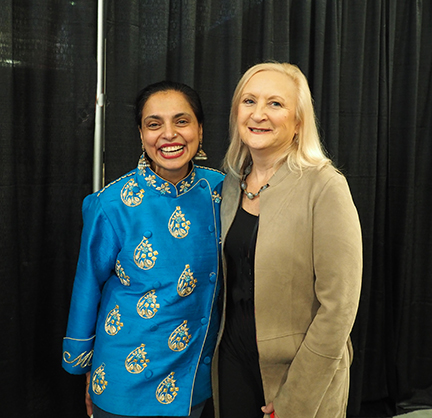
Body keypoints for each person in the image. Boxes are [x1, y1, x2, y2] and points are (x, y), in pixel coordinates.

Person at [62, 81, 224, 418]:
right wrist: (84, 363)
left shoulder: (222, 192)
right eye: (154, 124)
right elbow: (87, 285)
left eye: (182, 121)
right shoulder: (111, 203)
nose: (169, 134)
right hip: (124, 377)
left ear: (200, 129)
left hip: (196, 374)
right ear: (140, 133)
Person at [212, 62, 362, 418]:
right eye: (249, 101)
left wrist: (298, 397)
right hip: (232, 364)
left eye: (275, 104)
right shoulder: (230, 184)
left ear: (298, 122)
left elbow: (338, 309)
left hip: (298, 376)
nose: (259, 113)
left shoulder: (325, 187)